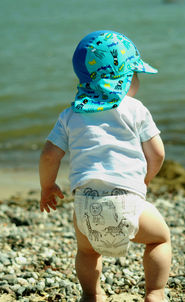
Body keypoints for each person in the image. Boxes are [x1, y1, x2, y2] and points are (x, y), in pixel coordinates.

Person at [39, 30, 171, 302]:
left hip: (85, 206)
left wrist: (47, 186)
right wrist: (145, 178)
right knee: (159, 239)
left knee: (87, 252)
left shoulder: (70, 114)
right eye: (134, 75)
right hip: (128, 204)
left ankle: (91, 295)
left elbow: (50, 155)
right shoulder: (135, 109)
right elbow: (157, 153)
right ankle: (155, 292)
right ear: (124, 79)